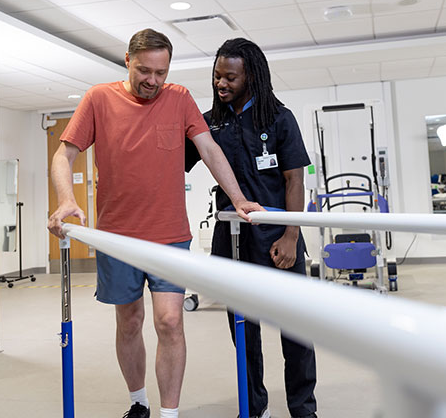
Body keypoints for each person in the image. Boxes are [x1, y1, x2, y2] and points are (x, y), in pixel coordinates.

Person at [47, 29, 262, 418]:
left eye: (161, 72)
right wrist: (66, 199)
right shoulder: (99, 99)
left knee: (169, 321)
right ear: (127, 60)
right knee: (129, 322)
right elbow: (64, 156)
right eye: (145, 70)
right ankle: (138, 402)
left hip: (170, 236)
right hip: (117, 238)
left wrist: (238, 198)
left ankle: (169, 413)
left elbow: (209, 149)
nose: (153, 81)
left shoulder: (179, 98)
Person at [186, 38, 317, 418]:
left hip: (280, 237)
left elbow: (295, 180)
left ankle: (303, 409)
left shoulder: (279, 117)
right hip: (233, 240)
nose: (221, 84)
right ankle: (254, 406)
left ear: (251, 77)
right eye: (216, 76)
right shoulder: (211, 122)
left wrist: (291, 235)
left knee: (295, 331)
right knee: (244, 330)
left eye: (230, 77)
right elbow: (177, 161)